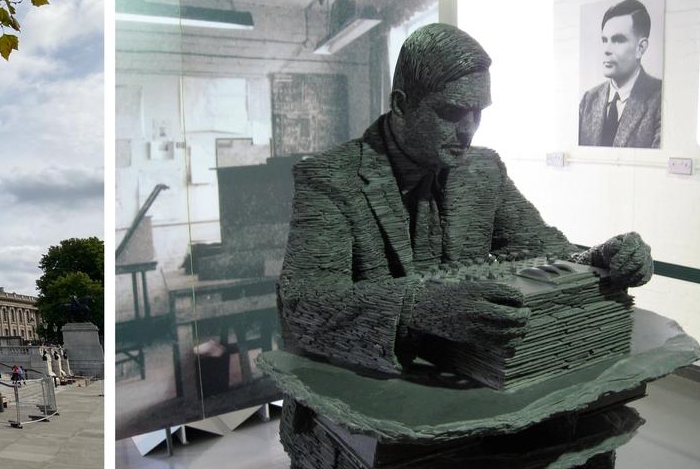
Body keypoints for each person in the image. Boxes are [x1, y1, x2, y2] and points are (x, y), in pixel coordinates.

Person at [278, 23, 653, 455]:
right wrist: (418, 306)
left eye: (479, 112)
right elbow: (304, 303)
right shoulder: (330, 177)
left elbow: (542, 246)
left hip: (472, 403)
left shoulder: (482, 171)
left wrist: (598, 257)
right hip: (361, 414)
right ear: (401, 104)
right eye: (452, 112)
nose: (468, 129)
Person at [578, 0, 661, 148]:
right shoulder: (588, 100)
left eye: (618, 40)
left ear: (640, 48)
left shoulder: (660, 100)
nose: (606, 50)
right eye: (604, 40)